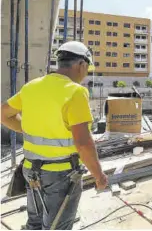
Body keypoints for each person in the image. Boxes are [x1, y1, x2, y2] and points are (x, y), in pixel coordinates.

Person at [0, 41, 108, 230]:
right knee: (57, 226)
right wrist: (98, 175)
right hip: (60, 174)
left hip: (30, 169)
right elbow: (83, 144)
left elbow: (3, 114)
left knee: (35, 222)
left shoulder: (31, 87)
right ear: (82, 65)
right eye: (87, 68)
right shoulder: (75, 92)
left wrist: (27, 129)